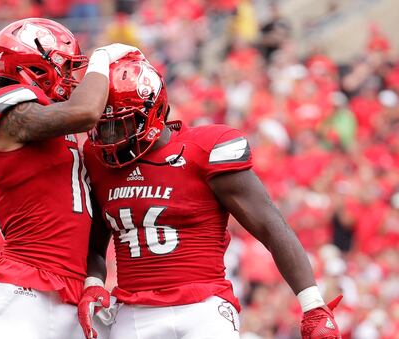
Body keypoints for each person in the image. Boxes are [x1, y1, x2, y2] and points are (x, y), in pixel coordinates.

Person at [77, 55, 342, 339]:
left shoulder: (202, 150)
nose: (109, 135)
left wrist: (313, 304)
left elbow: (270, 224)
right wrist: (93, 283)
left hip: (202, 308)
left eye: (120, 124)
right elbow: (95, 242)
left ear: (152, 112)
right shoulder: (97, 160)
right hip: (133, 311)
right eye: (103, 125)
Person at [0, 17, 140, 339]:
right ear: (33, 68)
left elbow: (87, 218)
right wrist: (102, 59)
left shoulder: (55, 129)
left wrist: (93, 281)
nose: (71, 79)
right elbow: (84, 112)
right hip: (25, 285)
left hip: (70, 289)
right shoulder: (7, 113)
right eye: (65, 67)